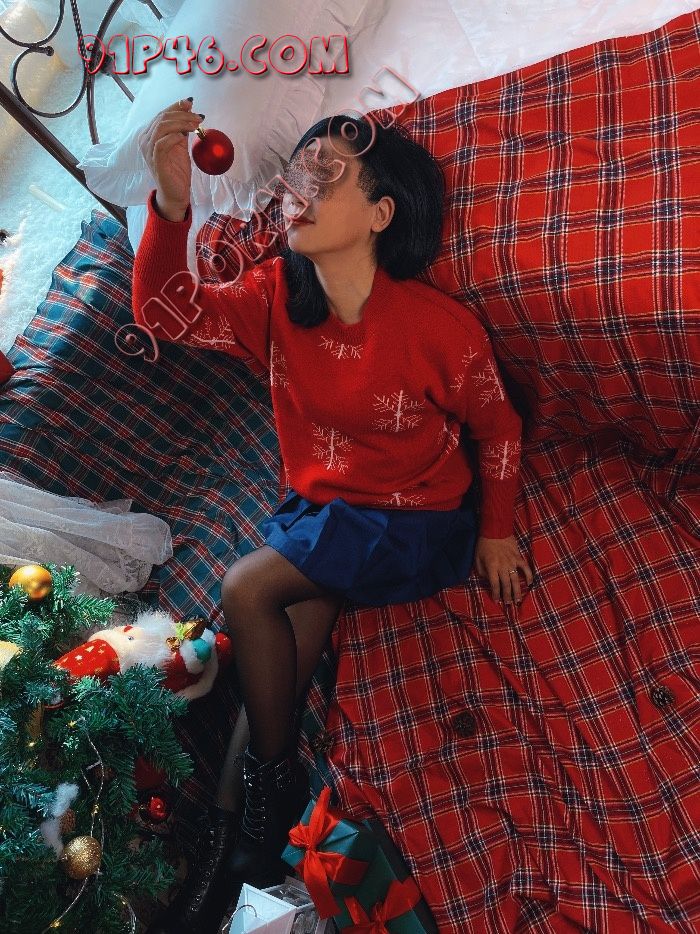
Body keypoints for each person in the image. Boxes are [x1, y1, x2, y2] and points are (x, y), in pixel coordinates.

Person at [137, 98, 533, 934]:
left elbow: (499, 427)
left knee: (248, 589)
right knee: (275, 664)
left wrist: (496, 530)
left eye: (329, 176)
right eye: (296, 176)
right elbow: (167, 314)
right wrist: (171, 205)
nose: (300, 191)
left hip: (411, 522)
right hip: (323, 513)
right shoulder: (274, 296)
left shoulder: (438, 328)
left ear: (381, 214)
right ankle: (233, 848)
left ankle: (265, 799)